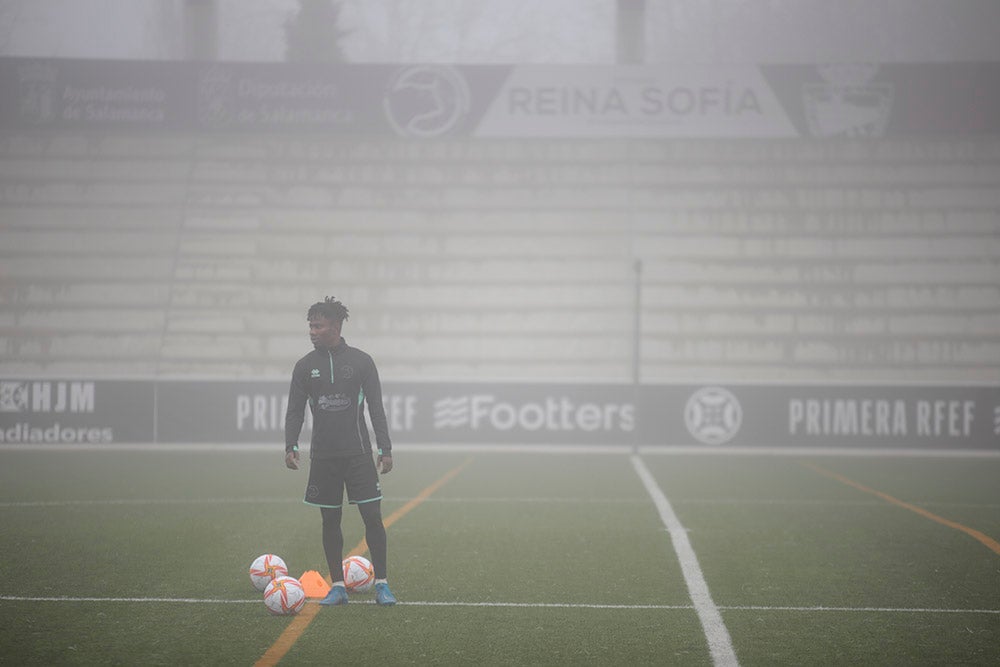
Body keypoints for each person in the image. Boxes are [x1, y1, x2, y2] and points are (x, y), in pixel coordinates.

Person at [284, 296, 397, 606]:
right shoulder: (305, 367)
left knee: (372, 517)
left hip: (358, 455)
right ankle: (337, 586)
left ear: (334, 326)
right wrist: (290, 444)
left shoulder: (362, 362)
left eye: (318, 325)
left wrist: (385, 448)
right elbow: (294, 410)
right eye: (310, 325)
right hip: (323, 456)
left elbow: (376, 408)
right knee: (329, 521)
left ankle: (383, 585)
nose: (312, 331)